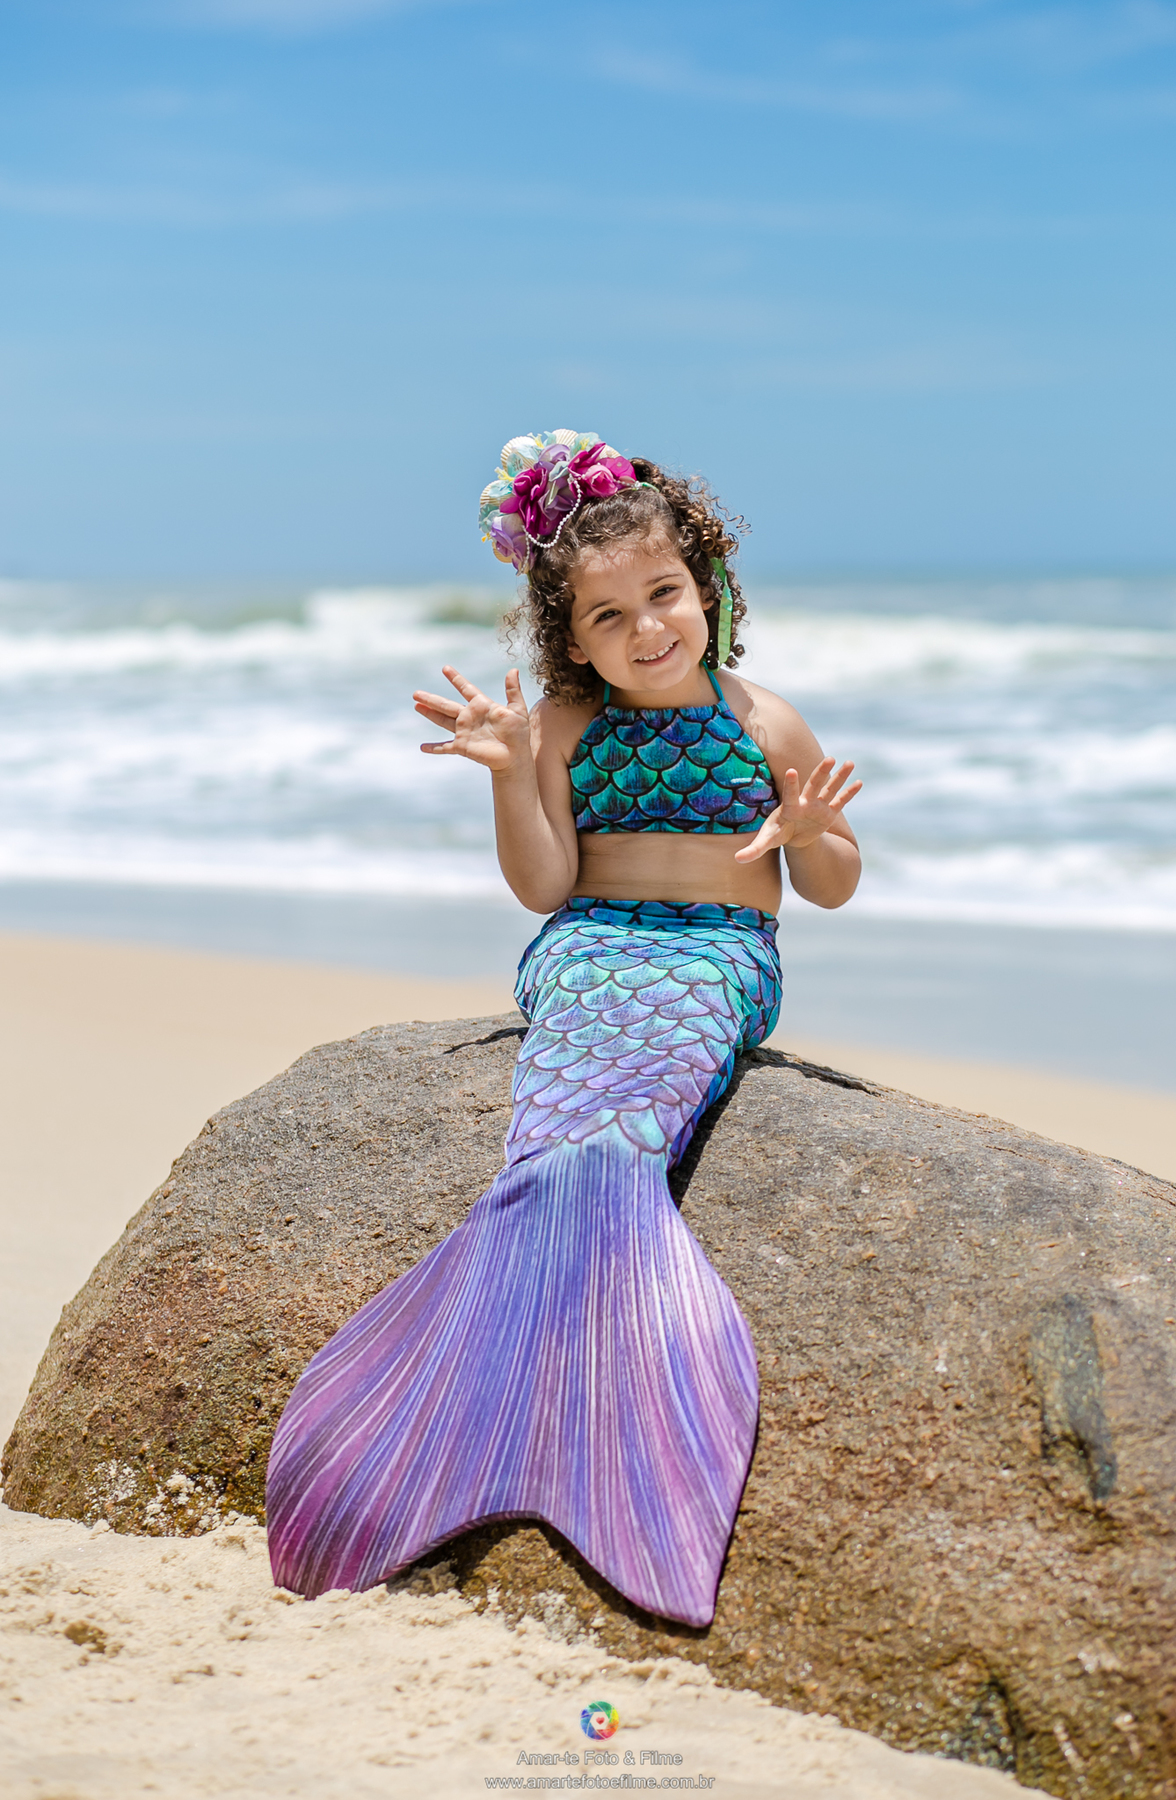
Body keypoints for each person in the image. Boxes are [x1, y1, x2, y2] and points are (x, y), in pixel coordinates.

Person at [266, 431, 861, 1627]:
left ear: (708, 589)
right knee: (553, 1138)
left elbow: (837, 883)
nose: (646, 629)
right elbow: (545, 886)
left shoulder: (767, 723)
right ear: (567, 638)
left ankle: (587, 1396)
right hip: (589, 946)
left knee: (624, 1139)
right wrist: (506, 771)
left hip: (714, 958)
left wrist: (805, 832)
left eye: (664, 595)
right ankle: (494, 1392)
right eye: (607, 617)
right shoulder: (569, 728)